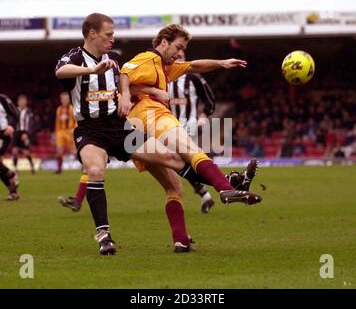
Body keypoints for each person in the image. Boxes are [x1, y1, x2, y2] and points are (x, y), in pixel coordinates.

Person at [56, 14, 261, 255]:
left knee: (174, 168)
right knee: (96, 170)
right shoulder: (80, 57)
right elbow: (61, 72)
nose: (113, 38)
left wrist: (221, 62)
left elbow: (130, 77)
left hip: (120, 128)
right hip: (99, 128)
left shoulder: (117, 59)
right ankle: (104, 235)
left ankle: (220, 193)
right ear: (92, 33)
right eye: (108, 34)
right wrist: (94, 70)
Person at [119, 24, 262, 249]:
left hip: (131, 133)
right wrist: (142, 93)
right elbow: (124, 73)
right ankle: (226, 187)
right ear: (163, 42)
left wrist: (222, 63)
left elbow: (194, 65)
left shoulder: (166, 67)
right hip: (149, 115)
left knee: (174, 186)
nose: (179, 53)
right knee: (191, 150)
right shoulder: (147, 58)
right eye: (178, 47)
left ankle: (181, 240)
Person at [167, 52, 216, 213]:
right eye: (175, 56)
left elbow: (209, 99)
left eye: (180, 55)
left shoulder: (193, 77)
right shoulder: (163, 76)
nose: (177, 58)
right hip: (168, 127)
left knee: (179, 162)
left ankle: (209, 190)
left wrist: (203, 116)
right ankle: (207, 193)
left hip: (190, 125)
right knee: (179, 164)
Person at [0, 93, 20, 201]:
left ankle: (12, 176)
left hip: (2, 134)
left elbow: (16, 113)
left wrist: (12, 126)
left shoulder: (3, 99)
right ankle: (13, 191)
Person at [11, 94, 35, 174]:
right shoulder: (14, 110)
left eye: (24, 101)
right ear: (18, 102)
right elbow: (12, 121)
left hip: (24, 133)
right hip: (16, 133)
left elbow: (31, 124)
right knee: (14, 151)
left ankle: (32, 166)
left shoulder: (29, 111)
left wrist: (27, 134)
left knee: (26, 152)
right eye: (21, 101)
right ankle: (15, 168)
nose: (23, 103)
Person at [54, 91, 76, 174]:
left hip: (70, 131)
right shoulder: (59, 109)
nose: (65, 100)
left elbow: (76, 120)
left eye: (66, 99)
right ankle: (59, 169)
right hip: (61, 132)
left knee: (74, 152)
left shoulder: (72, 108)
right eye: (63, 99)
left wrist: (75, 129)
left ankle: (83, 166)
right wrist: (56, 133)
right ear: (61, 100)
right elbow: (57, 122)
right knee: (59, 151)